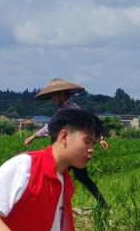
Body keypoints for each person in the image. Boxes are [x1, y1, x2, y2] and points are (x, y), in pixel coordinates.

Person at [25, 79, 110, 208]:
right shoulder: (63, 110)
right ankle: (101, 204)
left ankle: (50, 205)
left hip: (69, 151)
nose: (53, 99)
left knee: (56, 175)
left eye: (54, 96)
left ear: (62, 94)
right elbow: (51, 126)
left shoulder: (72, 109)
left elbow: (88, 124)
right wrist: (35, 136)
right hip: (68, 150)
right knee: (77, 177)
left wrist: (100, 138)